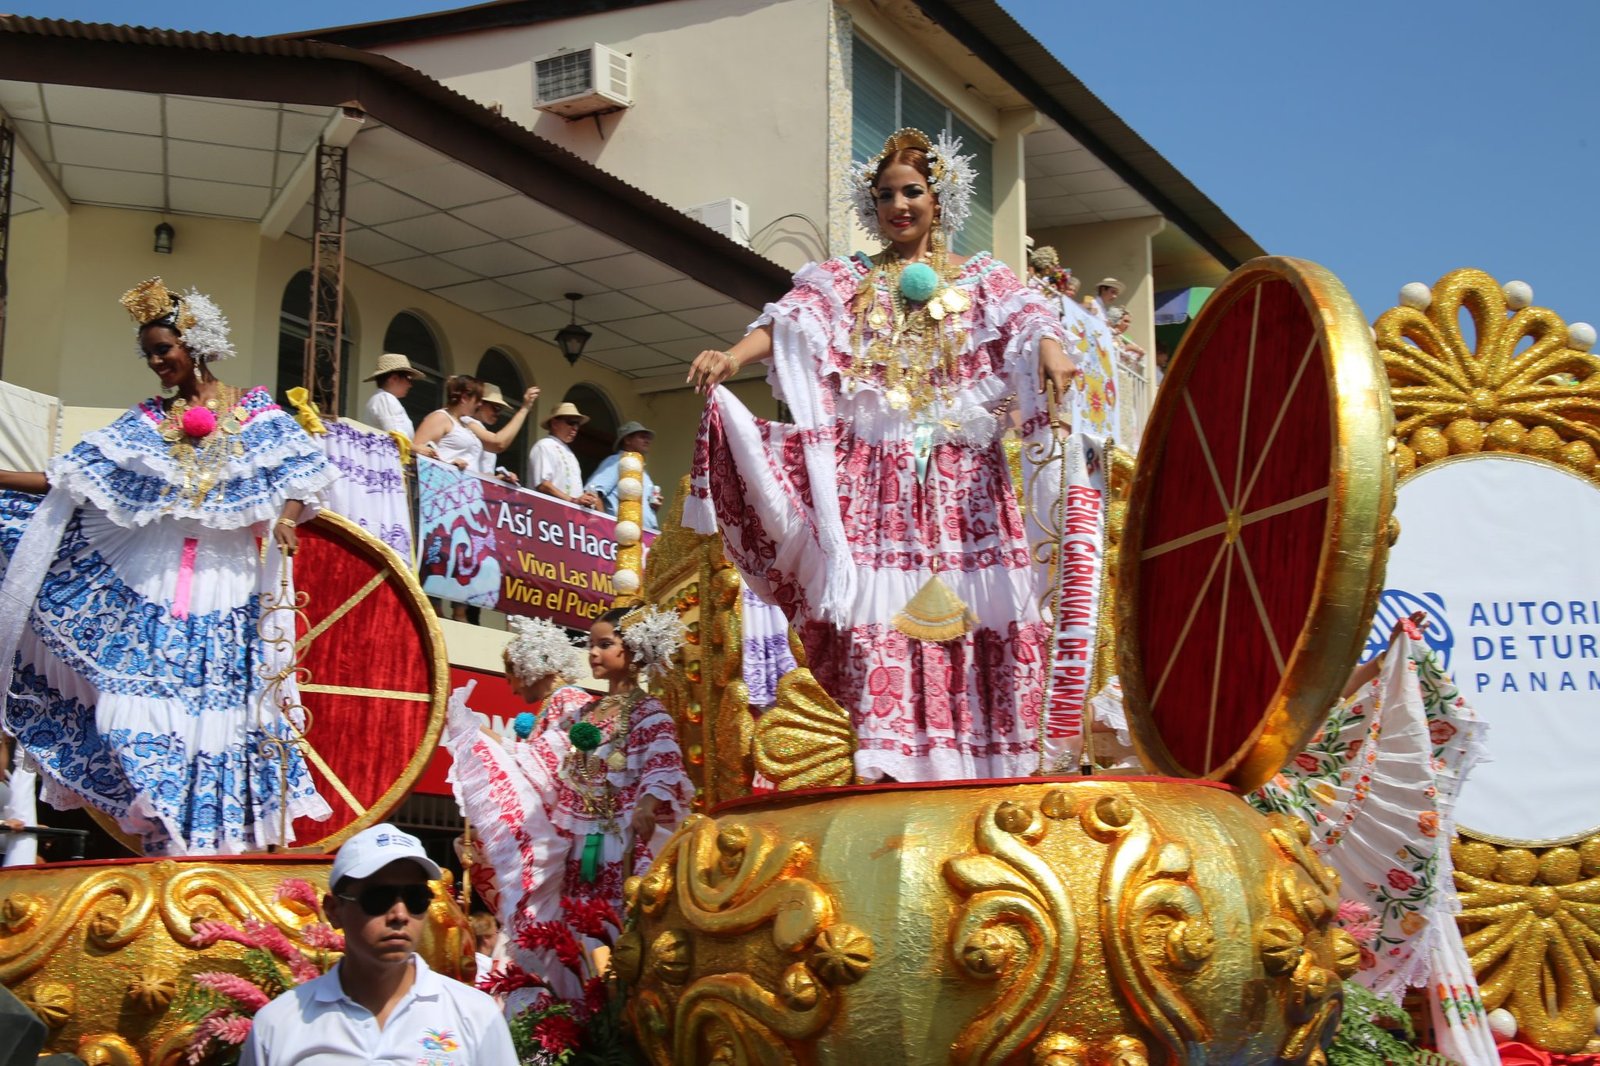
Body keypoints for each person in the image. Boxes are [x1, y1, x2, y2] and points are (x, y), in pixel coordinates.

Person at [684, 128, 1076, 783]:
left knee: (976, 605)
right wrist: (730, 356)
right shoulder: (848, 279)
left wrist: (1056, 357)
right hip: (878, 480)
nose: (900, 205)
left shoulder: (982, 277)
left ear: (940, 197)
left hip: (963, 478)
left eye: (913, 191)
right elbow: (789, 321)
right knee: (875, 607)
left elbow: (1030, 320)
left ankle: (979, 752)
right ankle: (883, 751)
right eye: (887, 194)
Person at [0, 278, 339, 855]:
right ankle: (160, 825)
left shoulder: (254, 410)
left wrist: (284, 516)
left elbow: (305, 472)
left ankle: (195, 844)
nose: (157, 362)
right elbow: (68, 479)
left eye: (164, 349)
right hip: (151, 576)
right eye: (150, 354)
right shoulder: (143, 422)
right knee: (119, 712)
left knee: (214, 719)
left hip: (226, 580)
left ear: (196, 343)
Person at [442, 605, 692, 1000]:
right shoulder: (587, 712)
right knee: (577, 927)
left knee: (619, 927)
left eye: (604, 644)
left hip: (620, 839)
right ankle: (580, 1008)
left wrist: (649, 800)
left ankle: (618, 1008)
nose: (592, 653)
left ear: (634, 650)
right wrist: (478, 734)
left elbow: (663, 758)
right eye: (590, 645)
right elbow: (541, 757)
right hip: (580, 842)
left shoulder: (648, 709)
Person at [240, 823, 517, 1066]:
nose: (399, 914)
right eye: (378, 898)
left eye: (416, 898)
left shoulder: (475, 1014)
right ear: (334, 910)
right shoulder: (279, 1024)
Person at [413, 375, 538, 474]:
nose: (479, 405)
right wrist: (448, 465)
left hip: (464, 496)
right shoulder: (440, 417)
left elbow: (496, 445)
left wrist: (497, 479)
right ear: (464, 398)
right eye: (478, 400)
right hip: (441, 495)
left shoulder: (466, 424)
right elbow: (414, 454)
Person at [583, 420, 662, 531]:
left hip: (646, 536)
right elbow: (593, 493)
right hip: (622, 535)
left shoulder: (644, 473)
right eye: (642, 437)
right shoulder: (618, 462)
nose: (647, 440)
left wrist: (653, 508)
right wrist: (605, 527)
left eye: (648, 438)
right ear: (628, 440)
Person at [528, 402, 601, 510]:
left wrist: (583, 501)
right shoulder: (544, 445)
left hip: (568, 520)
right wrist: (573, 501)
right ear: (554, 423)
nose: (575, 428)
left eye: (577, 424)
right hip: (546, 515)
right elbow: (543, 485)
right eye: (571, 422)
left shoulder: (570, 454)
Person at [361, 353, 425, 436]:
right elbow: (397, 437)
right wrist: (418, 448)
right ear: (394, 379)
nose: (410, 385)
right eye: (408, 379)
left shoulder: (382, 398)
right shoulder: (385, 399)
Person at [471, 384, 521, 484]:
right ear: (480, 403)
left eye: (500, 410)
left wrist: (500, 478)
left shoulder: (481, 429)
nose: (498, 413)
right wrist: (525, 409)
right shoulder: (465, 422)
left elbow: (481, 473)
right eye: (496, 408)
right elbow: (499, 443)